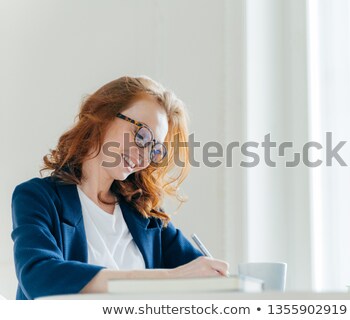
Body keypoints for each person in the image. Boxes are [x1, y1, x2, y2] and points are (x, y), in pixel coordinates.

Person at [11, 76, 229, 300]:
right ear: (104, 115)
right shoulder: (38, 197)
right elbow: (39, 277)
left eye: (155, 150)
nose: (144, 157)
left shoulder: (145, 214)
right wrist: (170, 278)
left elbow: (203, 278)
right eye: (142, 136)